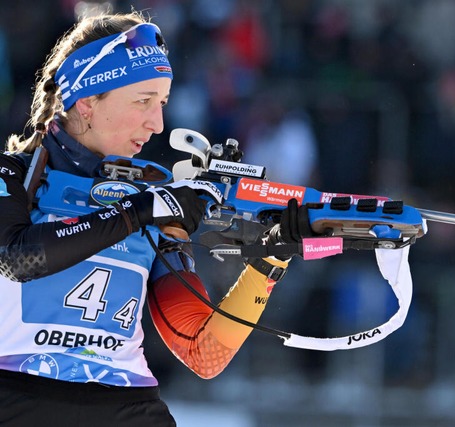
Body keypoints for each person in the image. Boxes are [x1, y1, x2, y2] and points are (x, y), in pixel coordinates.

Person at [0, 10, 294, 426]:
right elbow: (18, 257)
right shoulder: (12, 177)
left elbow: (203, 351)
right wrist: (140, 212)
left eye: (162, 104)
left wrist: (269, 261)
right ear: (86, 103)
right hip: (20, 399)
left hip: (128, 407)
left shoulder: (153, 197)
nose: (156, 124)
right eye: (142, 101)